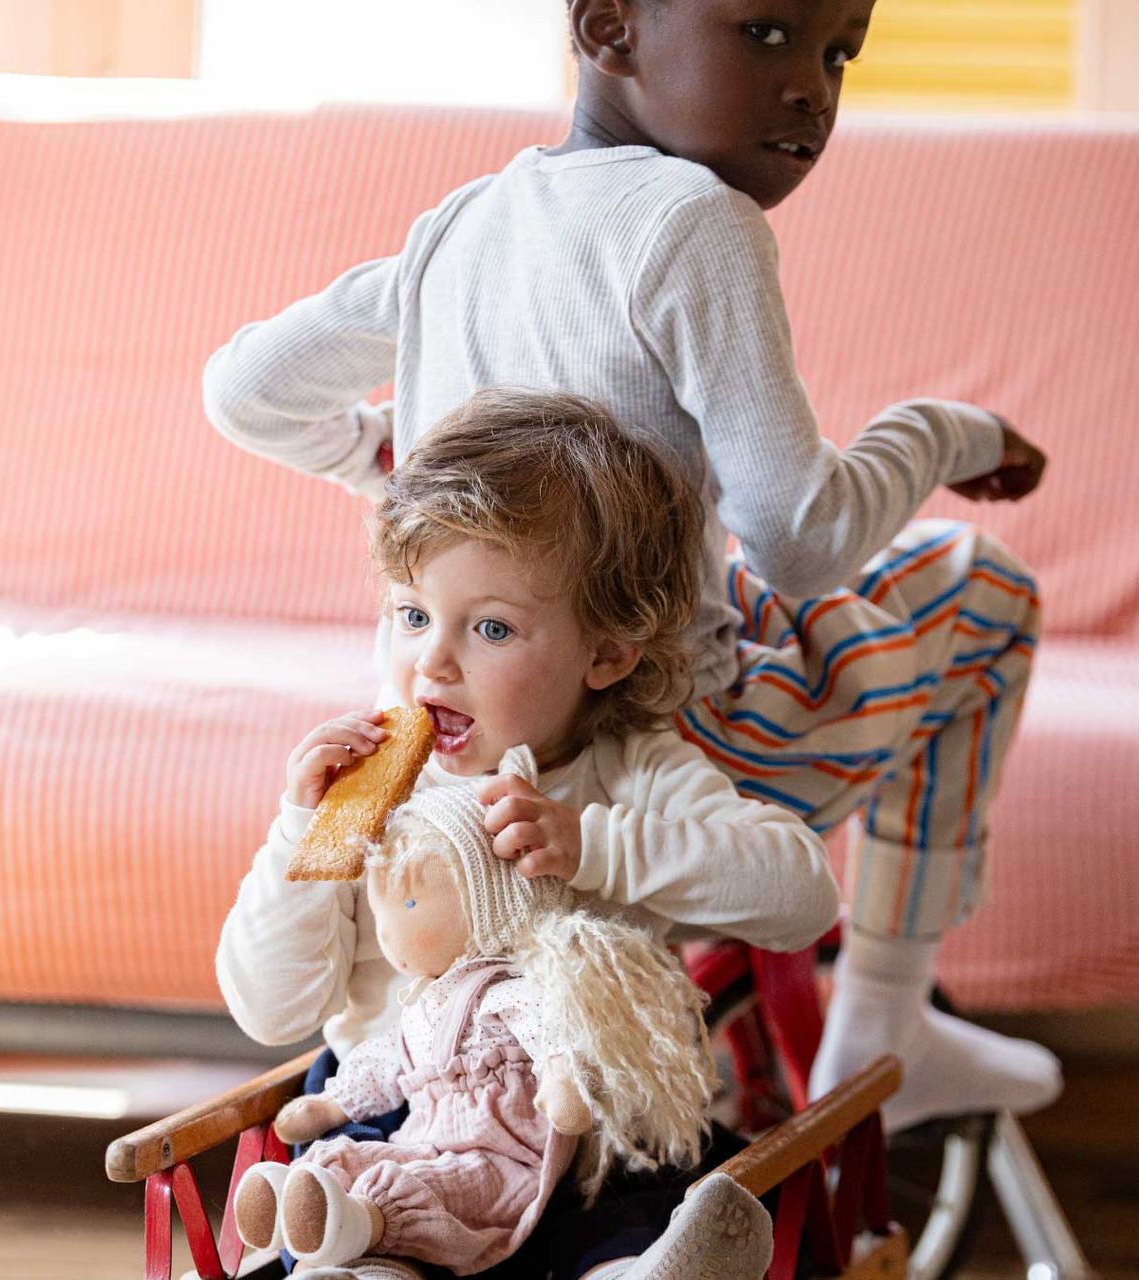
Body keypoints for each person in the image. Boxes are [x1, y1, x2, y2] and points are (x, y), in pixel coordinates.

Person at [204, 0, 1062, 1141]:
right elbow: (798, 539)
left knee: (789, 596)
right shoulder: (695, 219)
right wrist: (948, 433)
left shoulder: (464, 224)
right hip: (666, 717)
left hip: (456, 715)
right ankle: (887, 1010)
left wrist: (406, 474)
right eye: (765, 33)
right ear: (608, 28)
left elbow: (248, 391)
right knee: (976, 586)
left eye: (838, 52)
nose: (810, 86)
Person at [217, 393, 838, 1278]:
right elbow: (270, 1010)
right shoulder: (367, 785)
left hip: (587, 1145)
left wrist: (596, 848)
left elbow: (802, 895)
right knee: (358, 1237)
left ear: (607, 653)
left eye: (492, 628)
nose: (432, 663)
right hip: (396, 1125)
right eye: (412, 614)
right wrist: (300, 837)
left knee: (655, 1221)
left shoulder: (632, 770)